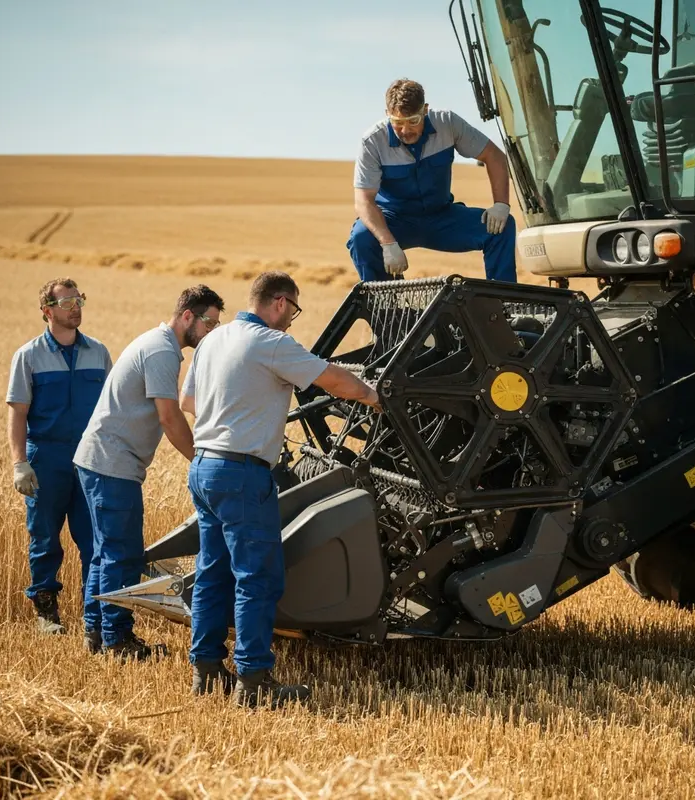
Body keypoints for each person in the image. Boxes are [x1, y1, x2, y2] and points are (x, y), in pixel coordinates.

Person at [180, 271, 381, 705]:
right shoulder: (271, 343)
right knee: (257, 577)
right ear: (279, 303)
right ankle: (253, 682)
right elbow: (334, 381)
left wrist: (239, 409)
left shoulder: (215, 339)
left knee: (213, 573)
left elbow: (188, 403)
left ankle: (206, 670)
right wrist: (374, 396)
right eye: (293, 310)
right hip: (241, 474)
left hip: (204, 468)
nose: (292, 320)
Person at [74, 284, 225, 661]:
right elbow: (169, 415)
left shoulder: (156, 343)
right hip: (113, 464)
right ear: (188, 316)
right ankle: (117, 640)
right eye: (209, 323)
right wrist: (200, 458)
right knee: (120, 556)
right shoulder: (162, 352)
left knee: (102, 554)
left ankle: (95, 630)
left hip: (98, 459)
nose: (211, 333)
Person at [6, 278, 112, 638]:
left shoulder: (98, 352)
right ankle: (47, 612)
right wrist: (20, 462)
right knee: (44, 539)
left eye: (79, 299)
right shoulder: (29, 355)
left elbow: (109, 412)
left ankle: (92, 617)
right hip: (46, 457)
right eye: (67, 302)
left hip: (89, 460)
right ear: (47, 311)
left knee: (94, 540)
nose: (76, 307)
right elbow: (18, 412)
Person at [347, 78, 517, 283]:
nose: (405, 130)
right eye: (397, 122)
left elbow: (494, 156)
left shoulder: (447, 123)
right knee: (361, 238)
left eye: (413, 121)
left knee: (502, 227)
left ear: (425, 110)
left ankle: (503, 305)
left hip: (442, 217)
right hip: (396, 220)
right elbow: (364, 201)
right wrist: (388, 243)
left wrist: (501, 204)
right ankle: (388, 312)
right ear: (387, 115)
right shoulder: (372, 141)